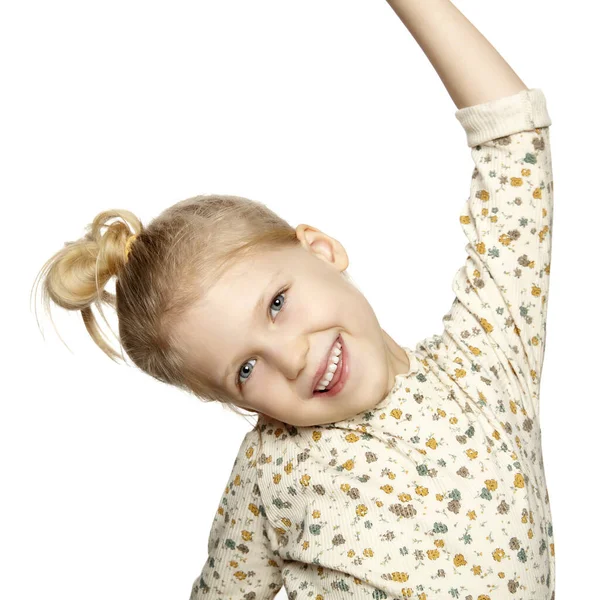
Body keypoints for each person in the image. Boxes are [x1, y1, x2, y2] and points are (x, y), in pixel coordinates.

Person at [33, 0, 555, 598]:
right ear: (231, 400)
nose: (292, 358)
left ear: (321, 248)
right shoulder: (269, 472)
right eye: (246, 368)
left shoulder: (487, 362)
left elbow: (515, 140)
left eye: (277, 304)